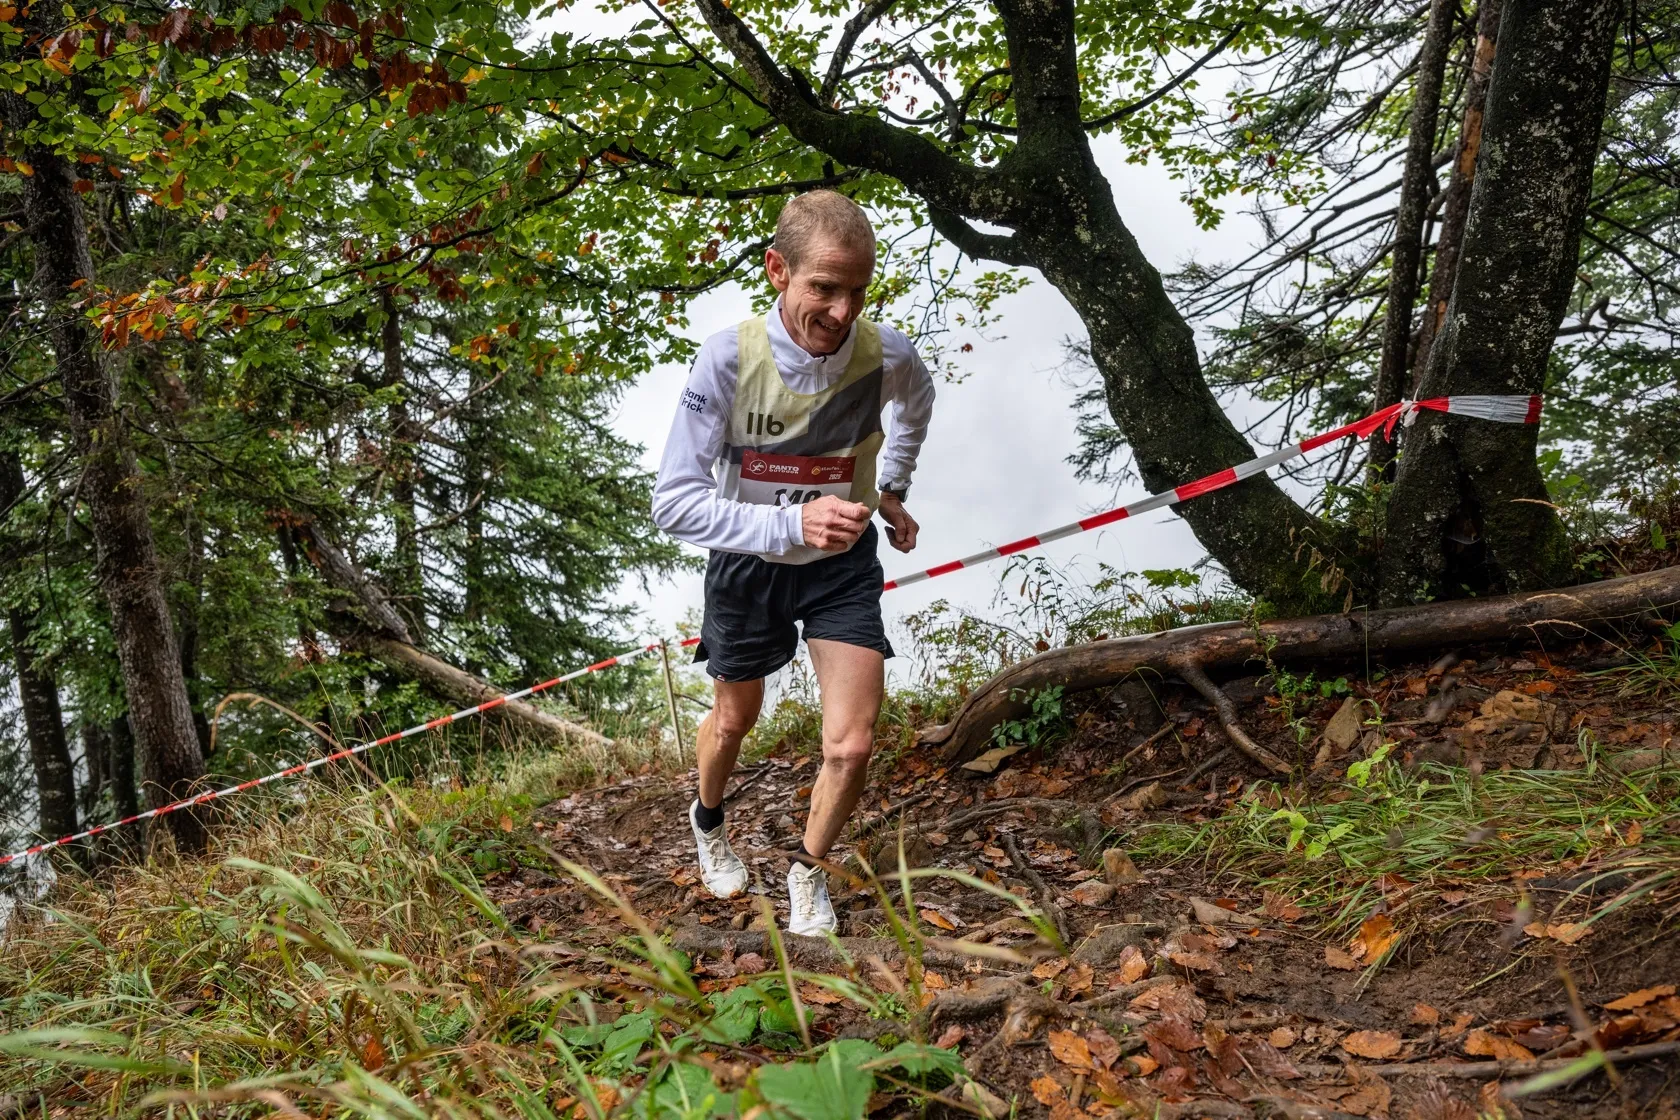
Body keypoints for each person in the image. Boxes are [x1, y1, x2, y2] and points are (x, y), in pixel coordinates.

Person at [651, 190, 935, 935]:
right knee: (734, 719)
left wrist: (892, 487)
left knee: (852, 744)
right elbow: (673, 504)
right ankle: (708, 820)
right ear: (779, 270)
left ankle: (808, 870)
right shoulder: (727, 359)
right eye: (825, 287)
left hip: (841, 564)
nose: (843, 311)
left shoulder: (888, 354)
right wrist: (789, 522)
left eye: (858, 291)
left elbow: (917, 407)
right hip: (749, 564)